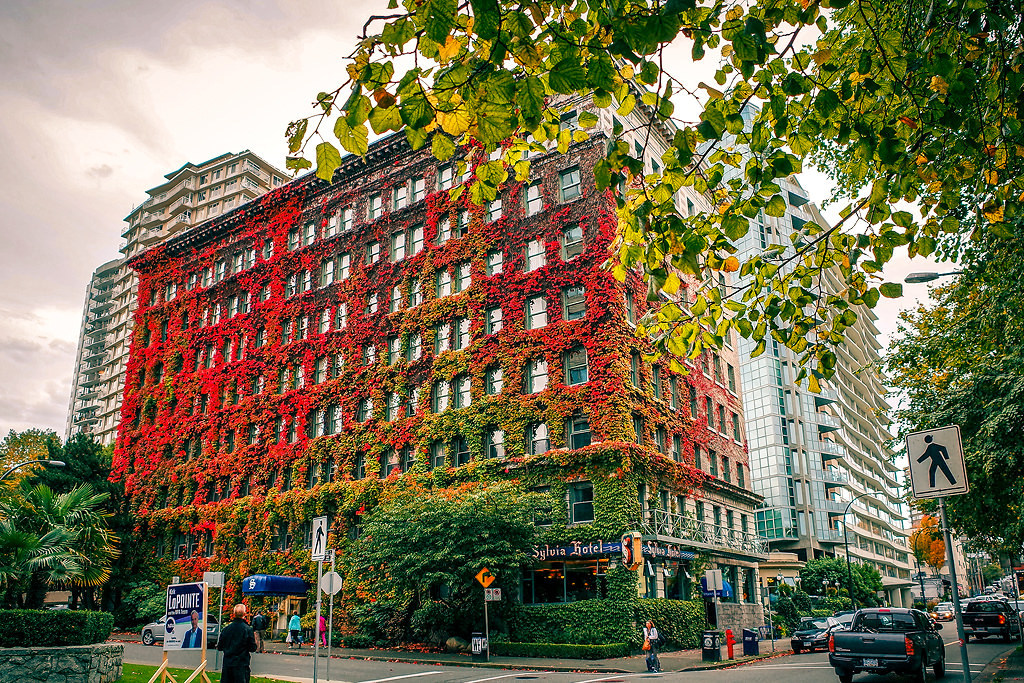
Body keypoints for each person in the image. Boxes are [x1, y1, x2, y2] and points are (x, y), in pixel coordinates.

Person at [217, 604, 257, 683]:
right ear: (244, 614)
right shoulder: (247, 629)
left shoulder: (226, 629)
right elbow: (252, 648)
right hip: (241, 664)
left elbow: (220, 646)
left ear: (233, 613)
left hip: (228, 664)